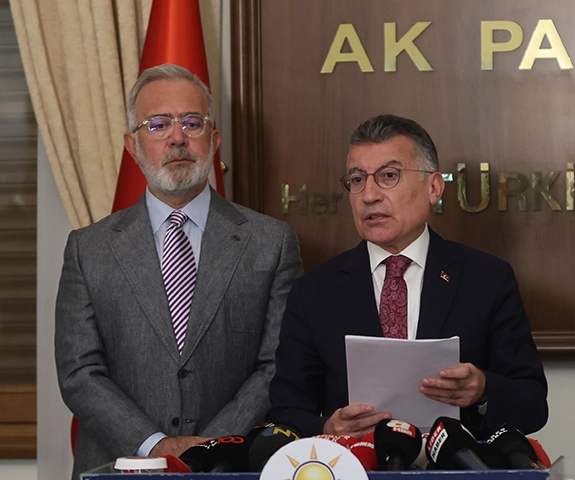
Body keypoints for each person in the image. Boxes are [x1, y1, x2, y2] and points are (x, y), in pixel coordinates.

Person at [55, 64, 303, 478]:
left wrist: (208, 448)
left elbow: (278, 363)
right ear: (132, 145)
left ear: (214, 139)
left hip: (231, 466)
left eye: (192, 122)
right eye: (158, 125)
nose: (177, 137)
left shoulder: (272, 242)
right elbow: (79, 372)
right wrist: (156, 445)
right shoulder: (88, 249)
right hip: (119, 465)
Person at [268, 114, 547, 440]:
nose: (369, 195)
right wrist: (327, 429)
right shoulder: (314, 292)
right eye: (357, 180)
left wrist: (483, 390)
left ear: (433, 187)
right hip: (356, 463)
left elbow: (532, 404)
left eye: (388, 176)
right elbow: (285, 412)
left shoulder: (487, 279)